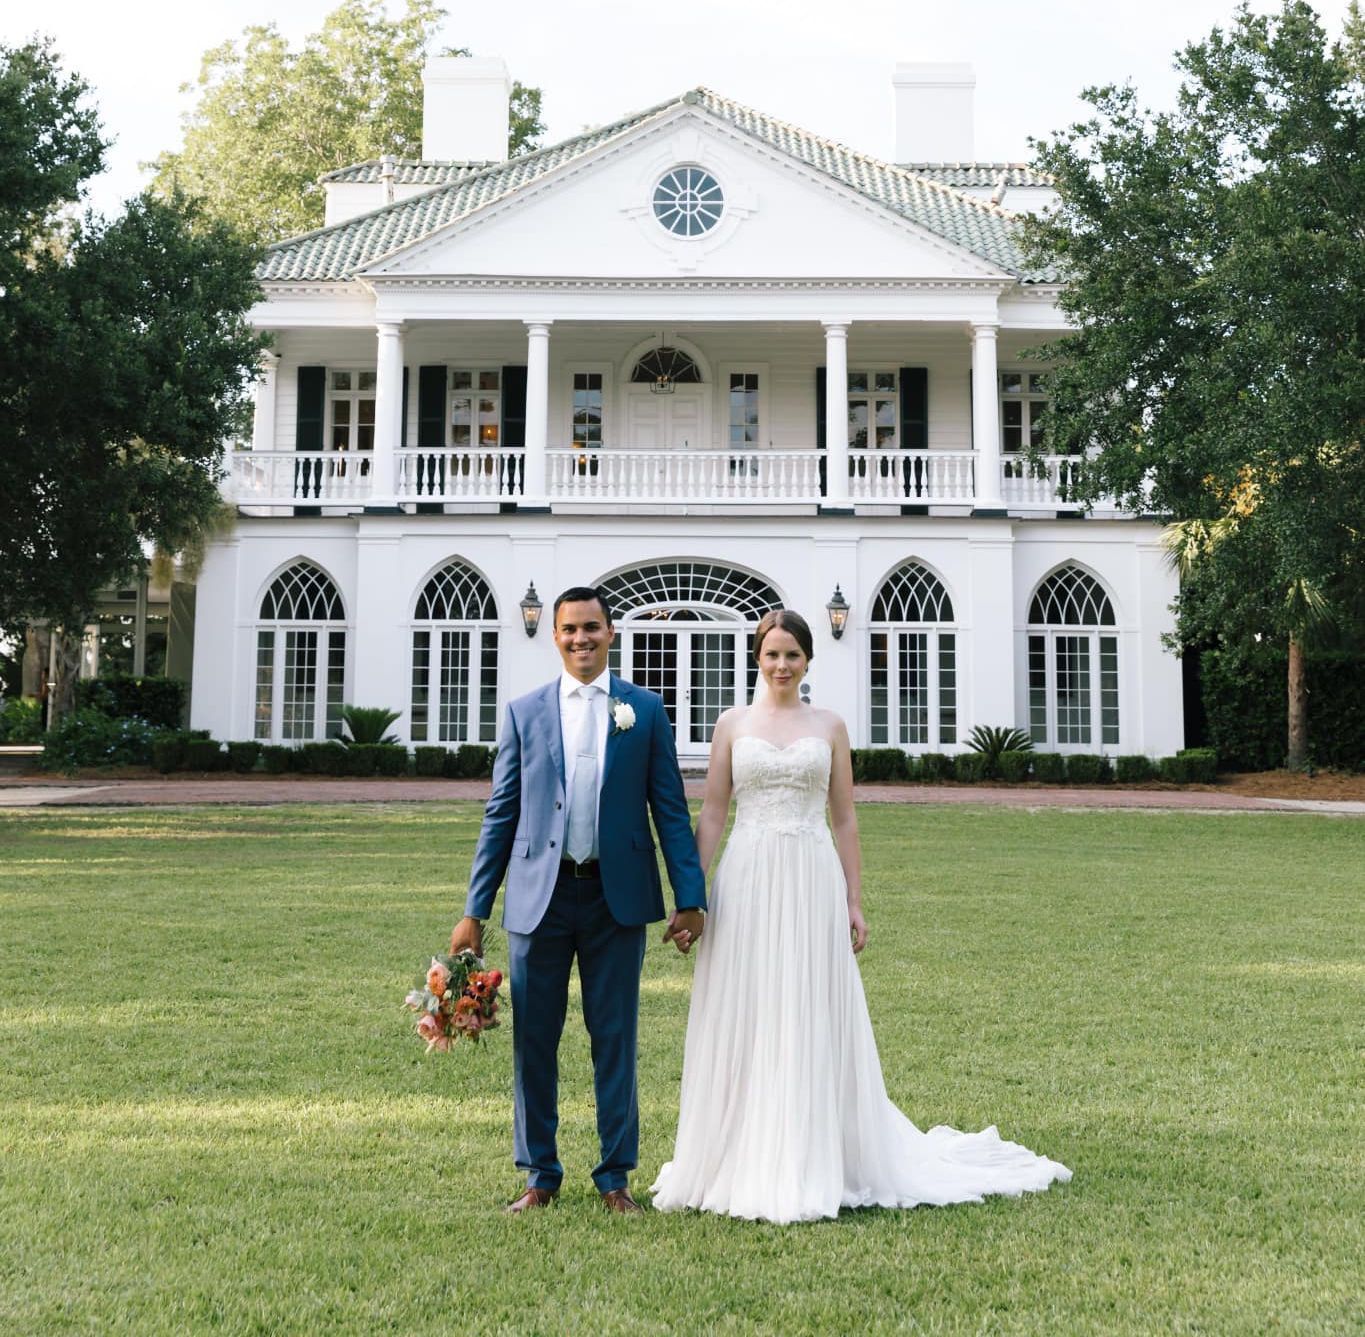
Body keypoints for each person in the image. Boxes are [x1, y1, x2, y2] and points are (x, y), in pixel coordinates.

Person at [650, 608, 1071, 1223]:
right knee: (748, 1003)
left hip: (811, 876)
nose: (782, 665)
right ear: (756, 657)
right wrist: (694, 896)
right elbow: (713, 813)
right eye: (772, 653)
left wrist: (853, 898)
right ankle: (739, 1149)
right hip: (746, 877)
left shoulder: (831, 725)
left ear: (808, 660)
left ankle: (817, 1151)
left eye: (792, 654)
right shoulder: (731, 724)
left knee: (808, 1004)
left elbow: (844, 816)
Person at [451, 585, 706, 1214]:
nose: (580, 639)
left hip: (616, 900)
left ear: (610, 633)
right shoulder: (524, 712)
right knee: (533, 1039)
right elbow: (500, 815)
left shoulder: (643, 711)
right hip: (540, 899)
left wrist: (689, 896)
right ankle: (540, 1173)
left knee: (613, 1036)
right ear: (554, 635)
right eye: (569, 630)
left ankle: (615, 1175)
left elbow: (670, 810)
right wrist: (474, 910)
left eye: (591, 628)